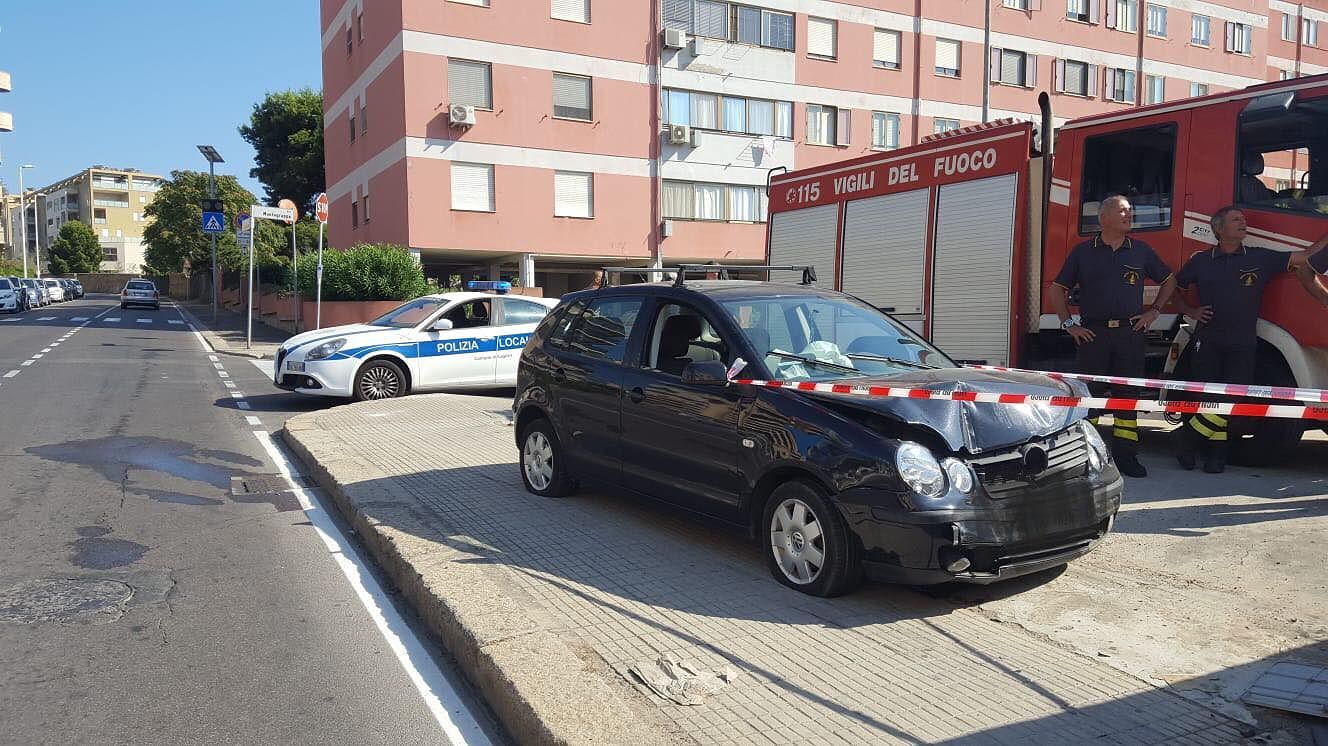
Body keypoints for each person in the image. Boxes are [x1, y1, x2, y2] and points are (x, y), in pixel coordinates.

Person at [1171, 207, 1323, 473]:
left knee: (1233, 398)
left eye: (1243, 219)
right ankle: (1216, 456)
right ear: (1219, 229)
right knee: (1211, 398)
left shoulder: (1260, 258)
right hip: (1208, 340)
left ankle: (1188, 439)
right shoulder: (1201, 261)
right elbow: (1173, 288)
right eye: (1236, 220)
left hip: (1242, 342)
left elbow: (1306, 258)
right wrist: (1190, 311)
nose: (1244, 223)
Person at [1050, 195, 1179, 478]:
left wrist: (1153, 311)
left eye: (1130, 211)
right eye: (1122, 211)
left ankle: (1126, 457)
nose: (1128, 215)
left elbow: (1169, 281)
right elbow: (1057, 289)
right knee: (1090, 399)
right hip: (1092, 334)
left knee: (1127, 397)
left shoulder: (1141, 250)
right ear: (1104, 217)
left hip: (1129, 334)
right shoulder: (1083, 252)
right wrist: (1068, 324)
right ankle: (1088, 456)